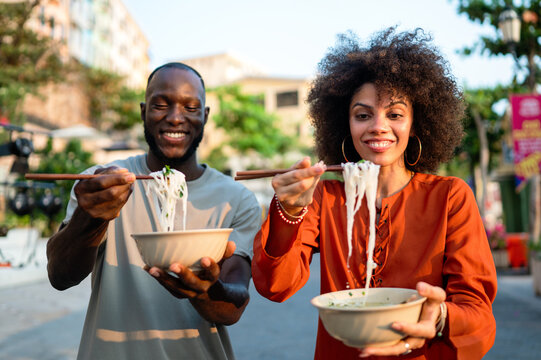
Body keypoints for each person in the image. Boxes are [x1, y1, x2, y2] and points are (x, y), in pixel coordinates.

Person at [251, 28, 497, 359]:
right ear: (345, 124)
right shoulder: (325, 198)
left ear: (416, 125)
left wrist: (438, 317)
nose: (377, 126)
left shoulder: (450, 196)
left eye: (394, 114)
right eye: (363, 115)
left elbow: (476, 310)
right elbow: (275, 285)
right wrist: (289, 212)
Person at [46, 62, 262, 360]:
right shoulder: (102, 182)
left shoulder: (236, 198)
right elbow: (60, 276)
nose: (175, 118)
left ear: (205, 116)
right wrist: (90, 217)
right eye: (161, 105)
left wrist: (202, 291)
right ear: (143, 112)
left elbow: (233, 306)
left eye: (190, 107)